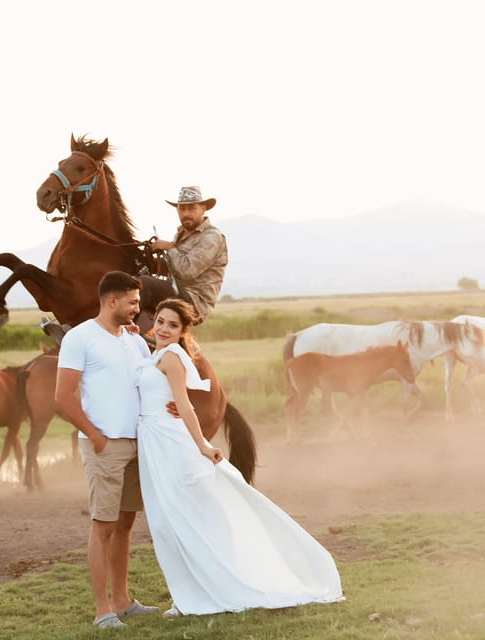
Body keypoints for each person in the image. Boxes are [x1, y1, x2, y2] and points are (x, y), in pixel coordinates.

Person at [136, 298, 345, 617]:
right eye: (160, 321)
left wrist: (204, 446)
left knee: (181, 520)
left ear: (182, 332)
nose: (164, 328)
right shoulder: (157, 354)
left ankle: (197, 594)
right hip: (156, 443)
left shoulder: (172, 358)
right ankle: (190, 592)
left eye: (172, 325)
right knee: (169, 522)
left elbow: (187, 405)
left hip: (170, 443)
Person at [55, 271, 159, 629]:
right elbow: (63, 398)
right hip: (105, 447)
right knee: (104, 525)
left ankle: (123, 601)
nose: (138, 308)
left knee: (127, 523)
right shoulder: (80, 338)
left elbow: (148, 385)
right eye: (132, 302)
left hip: (137, 443)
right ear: (112, 301)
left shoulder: (135, 342)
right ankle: (103, 612)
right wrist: (95, 437)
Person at [137, 185, 228, 333]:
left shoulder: (211, 237)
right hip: (177, 291)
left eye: (191, 208)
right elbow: (173, 268)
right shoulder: (181, 235)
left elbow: (186, 270)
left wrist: (169, 247)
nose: (186, 213)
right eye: (182, 209)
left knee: (144, 284)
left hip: (194, 302)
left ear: (203, 209)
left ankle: (123, 331)